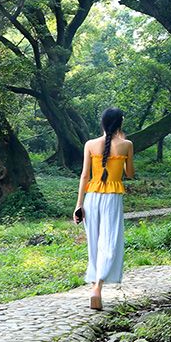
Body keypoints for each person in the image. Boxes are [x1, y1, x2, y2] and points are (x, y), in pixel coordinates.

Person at [74, 107, 135, 310]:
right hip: (112, 198)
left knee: (94, 243)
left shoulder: (90, 144)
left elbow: (84, 176)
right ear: (120, 123)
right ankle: (98, 288)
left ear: (102, 123)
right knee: (109, 243)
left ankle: (94, 288)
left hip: (91, 198)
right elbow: (130, 174)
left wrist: (79, 205)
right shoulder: (126, 145)